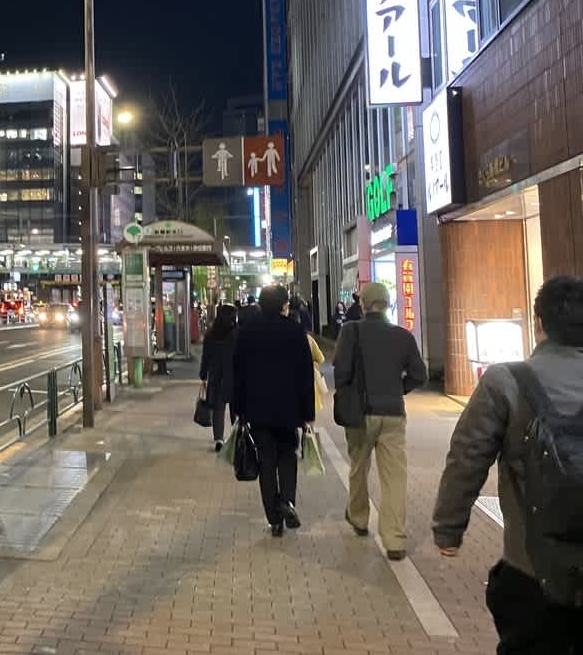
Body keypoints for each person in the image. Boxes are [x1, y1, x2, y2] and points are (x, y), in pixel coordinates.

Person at [433, 276, 583, 652]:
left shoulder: (506, 381)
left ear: (537, 322)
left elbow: (467, 457)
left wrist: (448, 529)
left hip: (532, 569)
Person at [335, 282, 427, 560]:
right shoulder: (402, 336)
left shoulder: (351, 331)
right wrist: (398, 390)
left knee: (359, 467)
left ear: (363, 304)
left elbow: (341, 372)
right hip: (393, 414)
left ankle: (360, 518)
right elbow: (419, 375)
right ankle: (395, 539)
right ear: (387, 304)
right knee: (394, 477)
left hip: (361, 414)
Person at [233, 285, 316, 537]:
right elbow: (305, 375)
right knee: (288, 457)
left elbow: (239, 374)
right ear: (283, 305)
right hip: (288, 408)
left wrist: (238, 410)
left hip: (257, 410)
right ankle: (288, 501)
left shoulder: (247, 331)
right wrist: (308, 413)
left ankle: (274, 520)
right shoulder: (294, 330)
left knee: (266, 462)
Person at [200, 304, 238, 452]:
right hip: (234, 375)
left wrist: (203, 375)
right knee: (236, 408)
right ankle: (238, 436)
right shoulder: (236, 333)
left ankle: (219, 439)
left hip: (216, 376)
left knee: (218, 408)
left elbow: (206, 357)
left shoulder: (211, 334)